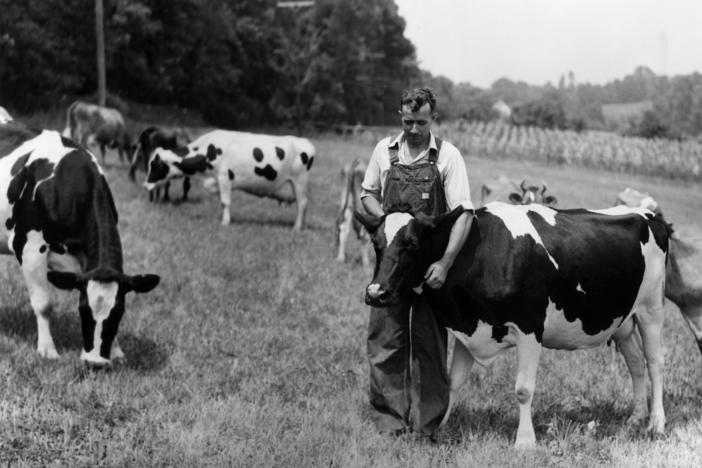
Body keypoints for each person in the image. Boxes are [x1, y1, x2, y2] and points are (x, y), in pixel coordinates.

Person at [360, 87, 474, 439]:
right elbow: (367, 195)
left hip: (426, 267)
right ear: (400, 116)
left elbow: (464, 214)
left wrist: (445, 263)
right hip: (392, 265)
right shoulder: (384, 151)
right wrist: (388, 222)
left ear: (433, 118)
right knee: (385, 338)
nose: (413, 129)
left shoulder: (448, 157)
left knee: (429, 343)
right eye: (408, 121)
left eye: (421, 122)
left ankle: (426, 424)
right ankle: (390, 420)